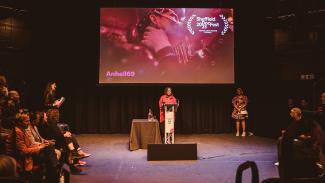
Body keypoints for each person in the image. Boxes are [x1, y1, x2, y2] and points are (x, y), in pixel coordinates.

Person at [278, 107, 325, 183]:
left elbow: (310, 135)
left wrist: (302, 136)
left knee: (296, 144)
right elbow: (294, 132)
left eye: (292, 112)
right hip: (304, 140)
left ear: (296, 113)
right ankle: (284, 161)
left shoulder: (306, 121)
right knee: (281, 140)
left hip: (311, 141)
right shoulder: (295, 122)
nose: (290, 114)